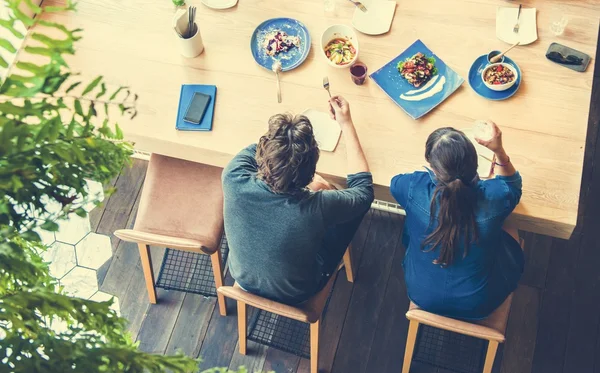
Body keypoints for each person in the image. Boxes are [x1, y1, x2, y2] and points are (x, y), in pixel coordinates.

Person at [222, 96, 374, 305]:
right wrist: (346, 123)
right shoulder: (315, 208)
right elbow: (364, 192)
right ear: (311, 170)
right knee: (350, 210)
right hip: (299, 290)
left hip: (242, 277)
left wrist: (281, 140)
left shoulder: (233, 175)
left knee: (328, 204)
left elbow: (257, 147)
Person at [390, 122, 524, 320]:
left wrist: (429, 178)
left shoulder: (413, 188)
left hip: (422, 295)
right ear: (476, 163)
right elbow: (512, 185)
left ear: (433, 168)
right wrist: (499, 150)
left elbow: (395, 182)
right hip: (478, 304)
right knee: (510, 226)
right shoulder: (496, 197)